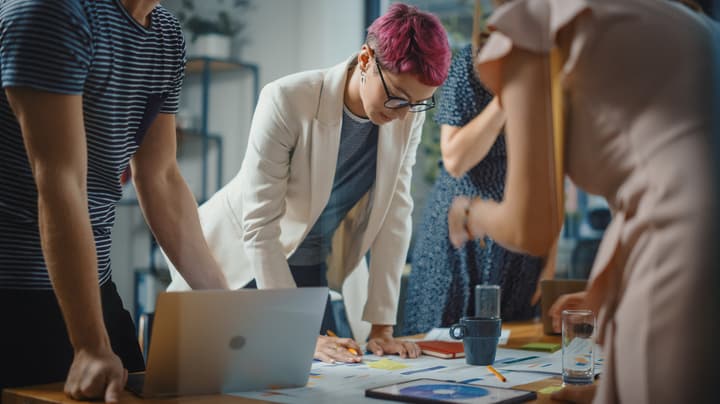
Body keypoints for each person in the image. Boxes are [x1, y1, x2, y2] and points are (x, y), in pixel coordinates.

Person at [448, 0, 718, 403]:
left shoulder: (534, 22)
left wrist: (470, 212)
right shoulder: (677, 19)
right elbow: (652, 178)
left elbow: (531, 227)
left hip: (684, 254)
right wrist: (603, 293)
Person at [167, 3, 451, 364]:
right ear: (366, 59)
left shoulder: (407, 115)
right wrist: (296, 335)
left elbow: (396, 213)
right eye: (396, 95)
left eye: (417, 103)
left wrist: (382, 328)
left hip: (312, 263)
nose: (401, 113)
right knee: (235, 376)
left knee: (330, 373)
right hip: (242, 261)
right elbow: (260, 227)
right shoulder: (287, 99)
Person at [0, 0, 228, 402]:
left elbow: (160, 177)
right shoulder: (50, 11)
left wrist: (230, 313)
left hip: (95, 284)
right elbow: (60, 181)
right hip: (15, 293)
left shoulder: (165, 35)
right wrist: (88, 345)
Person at [402, 0, 546, 336]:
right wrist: (507, 97)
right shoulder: (468, 63)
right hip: (459, 238)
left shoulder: (547, 77)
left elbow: (551, 176)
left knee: (512, 359)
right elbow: (455, 159)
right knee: (435, 352)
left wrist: (549, 264)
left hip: (517, 244)